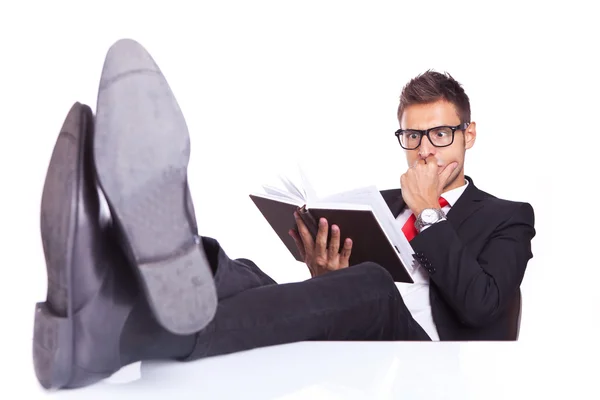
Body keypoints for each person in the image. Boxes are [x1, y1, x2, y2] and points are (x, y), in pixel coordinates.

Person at [32, 39, 535, 390]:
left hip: (425, 358)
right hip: (356, 334)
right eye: (412, 137)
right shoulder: (381, 201)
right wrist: (324, 276)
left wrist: (429, 216)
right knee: (247, 274)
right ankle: (116, 292)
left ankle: (116, 326)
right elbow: (342, 296)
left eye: (441, 135)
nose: (424, 152)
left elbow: (483, 306)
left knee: (373, 285)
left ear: (469, 134)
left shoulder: (509, 216)